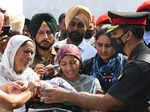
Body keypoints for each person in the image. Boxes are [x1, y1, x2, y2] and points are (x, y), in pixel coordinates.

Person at [39, 11, 150, 112]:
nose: (112, 39)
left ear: (128, 36)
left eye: (115, 34)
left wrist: (66, 96)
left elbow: (107, 103)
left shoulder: (138, 65)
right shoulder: (139, 58)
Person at [82, 25, 127, 93]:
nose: (103, 50)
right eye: (100, 45)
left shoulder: (126, 64)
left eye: (108, 45)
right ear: (95, 44)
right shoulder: (87, 65)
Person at [0, 35, 39, 111]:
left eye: (32, 53)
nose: (30, 57)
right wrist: (29, 91)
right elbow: (12, 103)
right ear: (12, 51)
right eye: (26, 51)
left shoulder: (31, 75)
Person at [29, 13, 58, 79]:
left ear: (54, 35)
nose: (45, 37)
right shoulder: (27, 57)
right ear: (34, 36)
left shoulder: (62, 54)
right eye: (41, 33)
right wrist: (33, 74)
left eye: (49, 32)